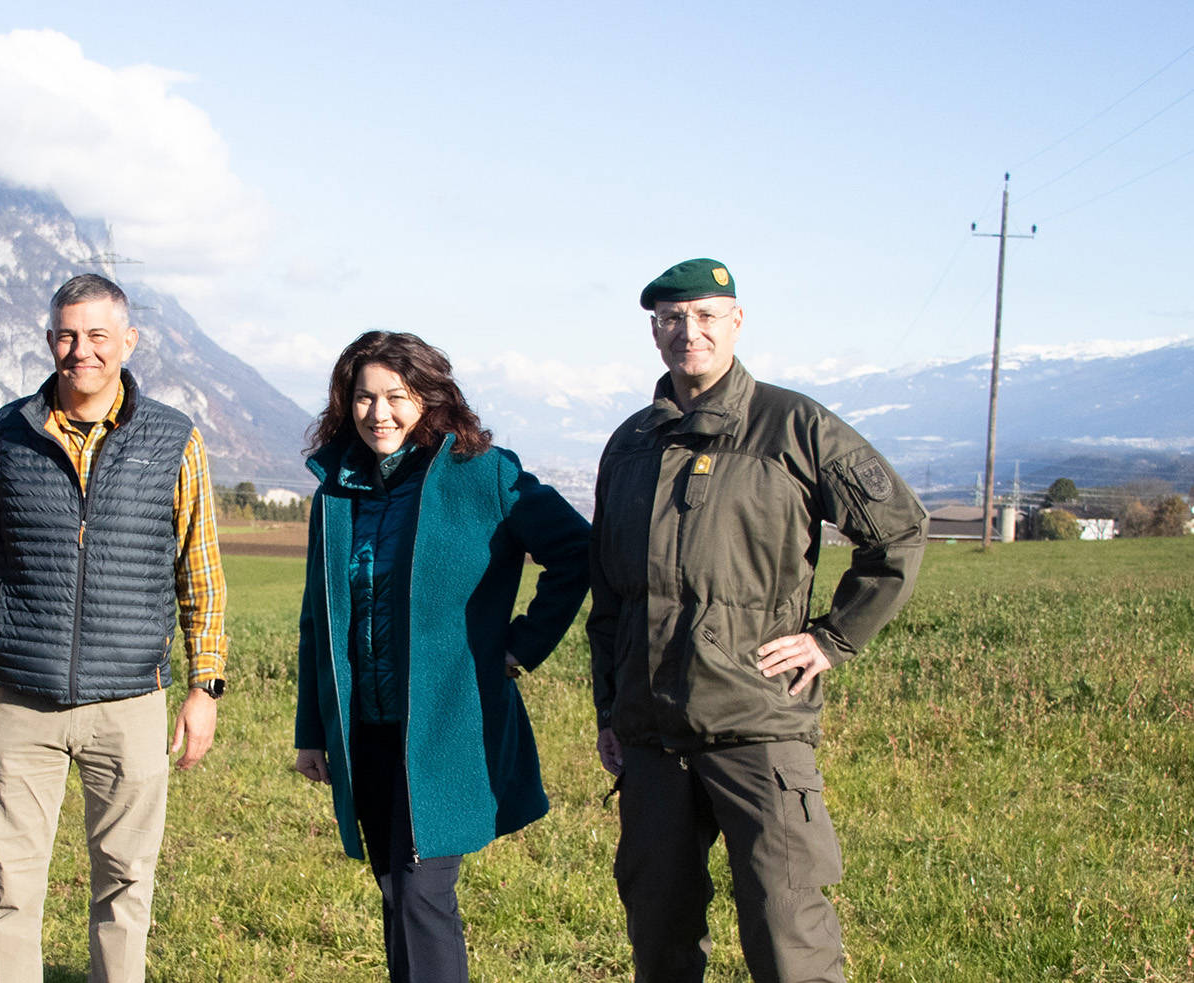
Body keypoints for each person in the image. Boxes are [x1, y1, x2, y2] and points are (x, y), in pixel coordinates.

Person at [588, 259, 927, 983]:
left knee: (788, 935)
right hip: (651, 735)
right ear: (654, 331)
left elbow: (897, 529)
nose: (691, 332)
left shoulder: (793, 425)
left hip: (759, 725)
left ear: (737, 322)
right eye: (674, 318)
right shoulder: (630, 445)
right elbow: (610, 599)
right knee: (659, 937)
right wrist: (608, 709)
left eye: (708, 315)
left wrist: (834, 637)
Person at [0, 273, 228, 983]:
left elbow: (203, 574)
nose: (81, 350)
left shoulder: (174, 440)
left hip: (129, 702)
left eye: (98, 335)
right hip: (22, 703)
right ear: (48, 339)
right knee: (9, 887)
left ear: (127, 340)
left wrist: (205, 685)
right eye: (67, 334)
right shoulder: (3, 435)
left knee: (126, 886)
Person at [293, 330, 590, 983]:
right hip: (366, 729)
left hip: (448, 729)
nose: (379, 413)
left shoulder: (483, 472)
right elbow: (317, 618)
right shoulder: (335, 492)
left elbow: (576, 549)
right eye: (364, 397)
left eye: (395, 396)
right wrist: (312, 732)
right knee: (400, 894)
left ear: (429, 398)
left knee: (421, 893)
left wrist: (519, 645)